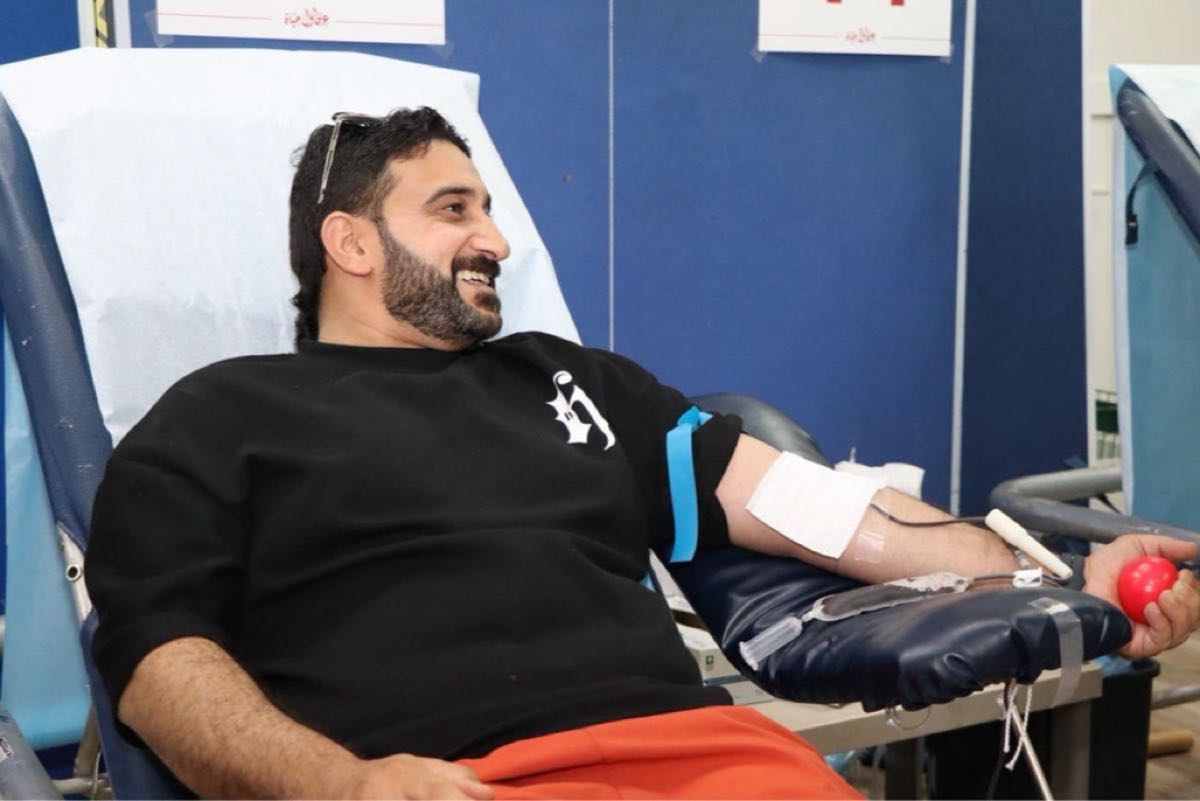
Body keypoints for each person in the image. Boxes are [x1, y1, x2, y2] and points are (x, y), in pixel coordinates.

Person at [85, 107, 1200, 801]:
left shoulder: (571, 382)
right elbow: (156, 659)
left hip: (711, 760)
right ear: (350, 242)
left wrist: (1064, 581)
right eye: (453, 209)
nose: (496, 239)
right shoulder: (221, 416)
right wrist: (342, 785)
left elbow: (835, 516)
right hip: (458, 780)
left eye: (489, 209)